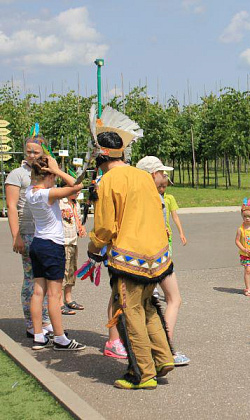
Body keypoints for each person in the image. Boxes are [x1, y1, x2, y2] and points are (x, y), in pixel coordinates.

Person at [88, 106, 174, 390]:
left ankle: (142, 373)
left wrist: (93, 248)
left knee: (129, 311)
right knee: (148, 306)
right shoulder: (141, 176)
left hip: (129, 259)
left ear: (100, 156)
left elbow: (105, 228)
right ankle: (162, 357)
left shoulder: (108, 181)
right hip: (157, 257)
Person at [25, 155, 86, 351]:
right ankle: (60, 338)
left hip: (38, 244)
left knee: (37, 292)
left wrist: (53, 170)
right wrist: (58, 170)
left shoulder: (29, 192)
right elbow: (77, 187)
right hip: (52, 246)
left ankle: (38, 335)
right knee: (54, 294)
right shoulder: (48, 194)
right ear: (49, 175)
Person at [136, 155, 190, 366]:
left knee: (146, 303)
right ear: (151, 175)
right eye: (161, 173)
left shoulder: (137, 196)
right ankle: (164, 348)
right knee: (173, 299)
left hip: (140, 257)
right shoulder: (154, 199)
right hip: (156, 256)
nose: (164, 177)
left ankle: (152, 349)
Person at [5, 130, 52, 337]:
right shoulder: (18, 174)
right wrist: (16, 236)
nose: (32, 155)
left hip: (46, 232)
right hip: (28, 232)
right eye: (29, 151)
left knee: (47, 279)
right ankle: (31, 323)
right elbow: (12, 206)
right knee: (31, 279)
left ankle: (44, 319)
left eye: (36, 151)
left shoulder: (46, 171)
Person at [59, 191, 87, 315]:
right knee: (63, 271)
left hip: (73, 241)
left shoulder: (75, 204)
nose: (78, 193)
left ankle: (68, 298)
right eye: (75, 190)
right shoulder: (60, 202)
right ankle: (59, 302)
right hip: (63, 241)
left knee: (71, 270)